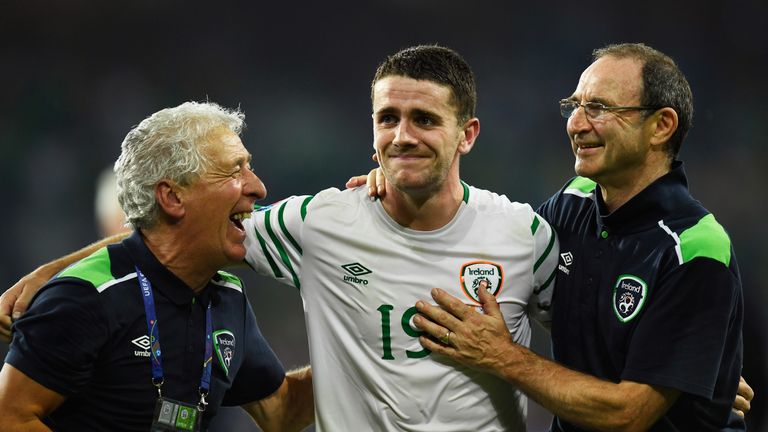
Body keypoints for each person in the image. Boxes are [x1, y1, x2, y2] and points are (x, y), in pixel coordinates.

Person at [0, 45, 560, 431]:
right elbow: (176, 232)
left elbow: (282, 412)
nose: (402, 136)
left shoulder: (525, 234)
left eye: (425, 120)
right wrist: (50, 273)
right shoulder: (323, 223)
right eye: (388, 117)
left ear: (467, 134)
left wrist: (503, 360)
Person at [405, 43, 748, 430]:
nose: (576, 124)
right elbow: (493, 259)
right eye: (574, 105)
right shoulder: (572, 202)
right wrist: (397, 189)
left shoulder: (694, 248)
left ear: (661, 126)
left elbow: (628, 415)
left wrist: (503, 356)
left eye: (598, 108)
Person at [0, 101, 314, 431]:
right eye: (235, 171)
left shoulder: (228, 297)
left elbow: (283, 410)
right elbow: (9, 417)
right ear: (172, 197)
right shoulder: (87, 296)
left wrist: (356, 354)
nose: (258, 187)